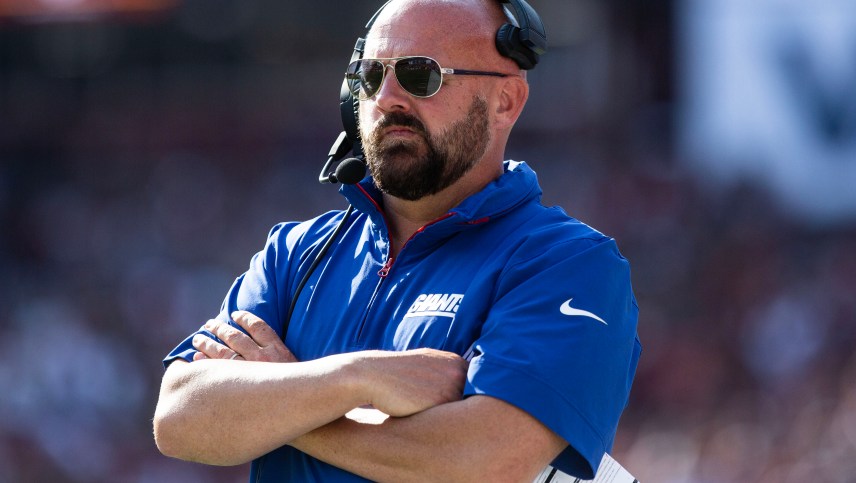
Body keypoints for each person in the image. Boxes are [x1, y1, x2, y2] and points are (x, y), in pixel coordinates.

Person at [153, 0, 641, 481]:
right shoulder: (295, 252)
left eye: (418, 74)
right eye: (368, 76)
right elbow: (179, 416)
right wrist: (359, 376)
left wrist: (282, 402)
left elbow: (488, 461)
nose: (385, 98)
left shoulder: (568, 263)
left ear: (506, 101)